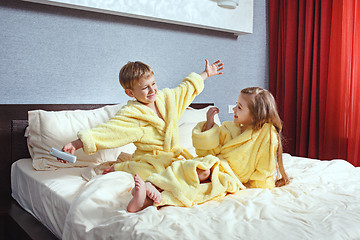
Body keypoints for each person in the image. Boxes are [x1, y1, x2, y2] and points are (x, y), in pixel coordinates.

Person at [127, 87, 290, 212]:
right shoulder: (230, 127)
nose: (234, 109)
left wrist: (260, 186)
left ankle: (150, 195)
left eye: (239, 107)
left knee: (200, 178)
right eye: (236, 105)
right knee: (194, 171)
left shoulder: (267, 135)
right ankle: (149, 190)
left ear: (255, 115)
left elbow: (265, 166)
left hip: (229, 176)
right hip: (214, 166)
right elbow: (209, 151)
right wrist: (210, 124)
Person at [60, 59, 224, 182]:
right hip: (149, 162)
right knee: (148, 175)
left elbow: (185, 88)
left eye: (153, 83)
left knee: (206, 169)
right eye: (145, 87)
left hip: (172, 158)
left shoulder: (167, 98)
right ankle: (124, 170)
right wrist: (75, 144)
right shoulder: (132, 114)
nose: (152, 90)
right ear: (130, 93)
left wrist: (206, 74)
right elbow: (107, 132)